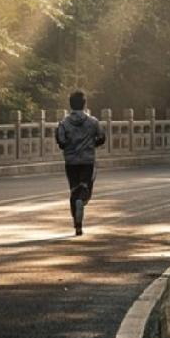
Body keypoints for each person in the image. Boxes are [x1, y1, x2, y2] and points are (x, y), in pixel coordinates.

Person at [56, 90, 106, 236]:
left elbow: (61, 141)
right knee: (85, 188)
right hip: (87, 160)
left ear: (70, 105)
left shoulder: (63, 123)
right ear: (84, 104)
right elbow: (102, 137)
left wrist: (69, 146)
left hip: (71, 162)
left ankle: (77, 225)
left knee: (73, 189)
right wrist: (91, 144)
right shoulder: (93, 122)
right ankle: (81, 201)